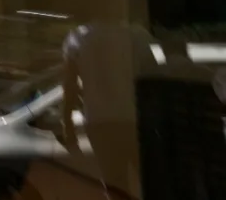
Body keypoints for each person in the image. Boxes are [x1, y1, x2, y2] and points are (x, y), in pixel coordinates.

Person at [60, 18, 158, 198]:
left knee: (115, 183)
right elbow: (153, 80)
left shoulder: (78, 38)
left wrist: (68, 125)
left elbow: (69, 85)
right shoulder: (139, 36)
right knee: (151, 181)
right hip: (133, 119)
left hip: (100, 121)